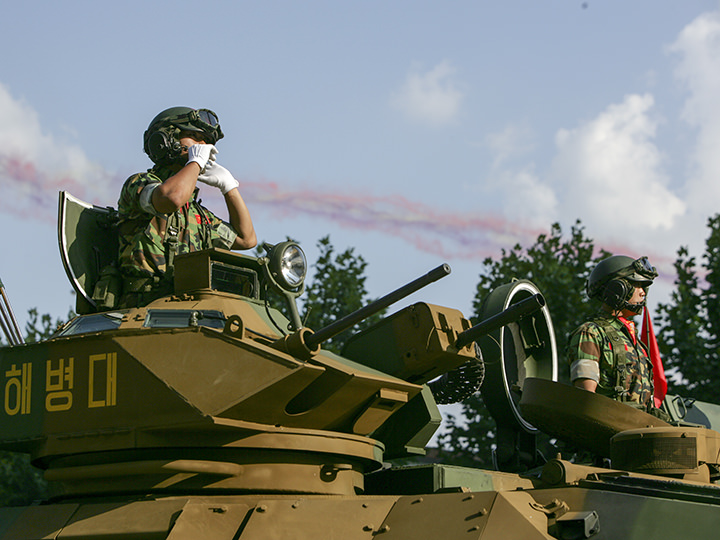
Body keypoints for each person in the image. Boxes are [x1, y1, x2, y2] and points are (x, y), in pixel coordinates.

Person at [116, 107, 257, 307]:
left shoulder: (195, 214)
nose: (203, 146)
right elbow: (171, 198)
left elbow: (246, 239)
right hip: (142, 310)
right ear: (166, 139)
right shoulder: (139, 184)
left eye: (205, 141)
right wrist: (196, 162)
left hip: (185, 311)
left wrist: (229, 188)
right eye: (193, 137)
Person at [567, 255, 662, 415]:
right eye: (637, 285)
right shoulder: (591, 333)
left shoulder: (636, 342)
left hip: (639, 430)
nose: (642, 293)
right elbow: (585, 400)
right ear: (618, 289)